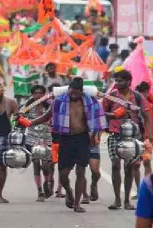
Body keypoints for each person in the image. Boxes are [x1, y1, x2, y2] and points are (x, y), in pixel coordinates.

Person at [26, 77, 107, 212]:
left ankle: (76, 203)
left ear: (82, 92)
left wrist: (97, 134)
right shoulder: (59, 101)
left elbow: (100, 117)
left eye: (77, 93)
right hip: (65, 139)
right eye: (72, 92)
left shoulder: (90, 102)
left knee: (81, 171)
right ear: (69, 90)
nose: (73, 95)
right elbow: (46, 117)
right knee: (63, 175)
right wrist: (29, 123)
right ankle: (68, 191)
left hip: (82, 139)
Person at [103, 70, 151, 211]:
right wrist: (114, 115)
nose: (117, 83)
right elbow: (102, 114)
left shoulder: (138, 97)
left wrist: (147, 135)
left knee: (129, 168)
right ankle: (117, 198)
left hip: (133, 136)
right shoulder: (111, 97)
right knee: (115, 165)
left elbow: (147, 116)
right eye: (116, 80)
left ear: (129, 82)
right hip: (114, 134)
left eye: (120, 81)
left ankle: (126, 201)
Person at [22, 85, 54, 202]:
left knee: (46, 165)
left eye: (40, 93)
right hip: (32, 138)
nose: (38, 95)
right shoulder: (28, 106)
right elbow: (20, 118)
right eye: (35, 93)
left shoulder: (50, 105)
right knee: (36, 163)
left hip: (48, 137)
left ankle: (47, 183)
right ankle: (40, 191)